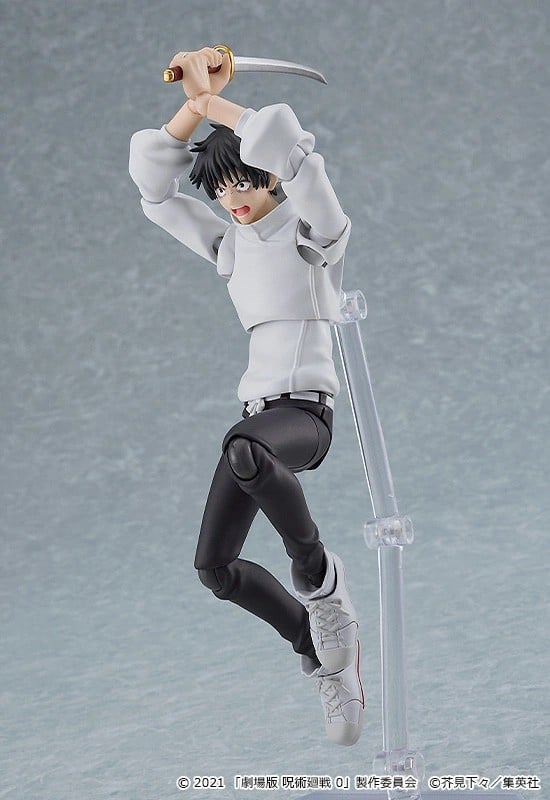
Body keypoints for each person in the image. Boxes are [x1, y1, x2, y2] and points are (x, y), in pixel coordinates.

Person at [129, 47, 364, 745]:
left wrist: (217, 103)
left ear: (268, 176)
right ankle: (316, 650)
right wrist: (190, 111)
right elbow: (155, 195)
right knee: (216, 569)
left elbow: (301, 162)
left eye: (245, 183)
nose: (233, 198)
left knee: (245, 451)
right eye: (221, 189)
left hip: (305, 418)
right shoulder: (230, 245)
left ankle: (319, 579)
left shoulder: (312, 234)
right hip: (255, 427)